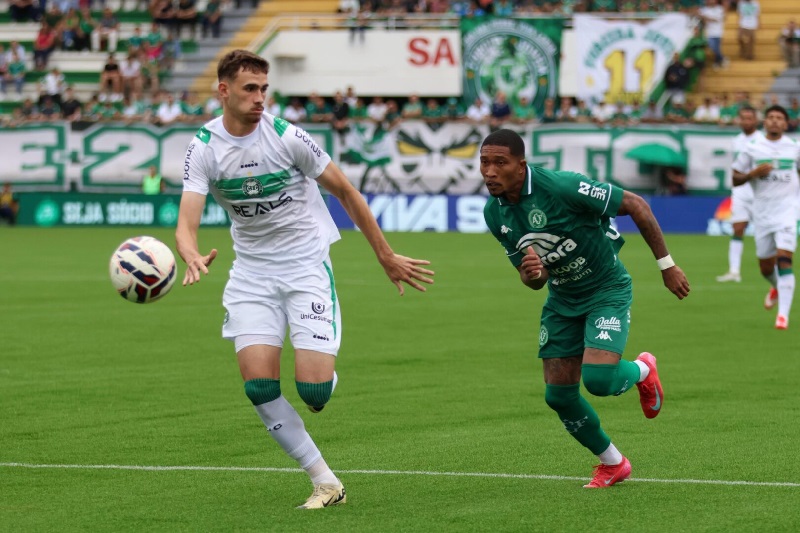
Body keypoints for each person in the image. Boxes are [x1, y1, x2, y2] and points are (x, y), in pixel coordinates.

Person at [175, 50, 434, 509]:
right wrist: (190, 252)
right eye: (249, 89)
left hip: (306, 266)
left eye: (263, 89)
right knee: (259, 387)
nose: (259, 98)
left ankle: (324, 374)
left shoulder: (286, 137)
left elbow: (347, 192)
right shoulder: (203, 148)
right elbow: (187, 217)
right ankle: (325, 482)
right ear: (223, 91)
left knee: (314, 392)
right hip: (252, 274)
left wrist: (386, 256)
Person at [480, 129, 690, 489]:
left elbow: (637, 205)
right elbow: (533, 280)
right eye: (484, 162)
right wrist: (533, 274)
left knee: (598, 381)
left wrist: (667, 266)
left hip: (606, 288)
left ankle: (643, 369)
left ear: (521, 165)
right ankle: (613, 463)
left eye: (500, 163)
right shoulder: (493, 212)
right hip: (562, 299)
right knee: (558, 396)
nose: (490, 171)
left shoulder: (562, 187)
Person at [732, 105, 799, 329]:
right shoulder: (752, 148)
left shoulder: (794, 147)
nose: (774, 121)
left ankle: (783, 316)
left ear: (786, 123)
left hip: (788, 212)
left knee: (784, 259)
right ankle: (776, 287)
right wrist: (752, 174)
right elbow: (734, 179)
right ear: (765, 122)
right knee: (766, 268)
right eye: (770, 117)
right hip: (762, 215)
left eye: (779, 118)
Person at [717, 106, 763, 283]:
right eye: (743, 118)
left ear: (756, 120)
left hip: (759, 191)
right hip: (741, 191)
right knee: (737, 229)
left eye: (749, 118)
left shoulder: (761, 140)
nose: (746, 121)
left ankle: (771, 267)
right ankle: (734, 271)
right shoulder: (736, 140)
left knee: (764, 231)